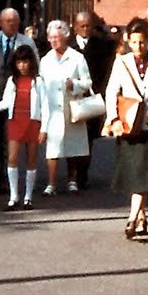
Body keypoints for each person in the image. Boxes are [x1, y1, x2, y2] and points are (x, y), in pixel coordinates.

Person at [106, 17, 148, 238]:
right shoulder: (122, 62)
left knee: (146, 172)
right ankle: (140, 216)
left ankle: (132, 216)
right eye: (134, 42)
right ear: (127, 40)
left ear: (147, 40)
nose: (138, 47)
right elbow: (112, 91)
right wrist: (113, 119)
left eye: (142, 42)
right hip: (128, 123)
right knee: (133, 173)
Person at [0, 43, 45, 210]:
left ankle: (28, 197)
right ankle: (13, 196)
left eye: (25, 61)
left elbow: (46, 105)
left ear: (32, 62)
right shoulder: (12, 81)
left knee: (31, 159)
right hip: (15, 121)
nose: (22, 65)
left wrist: (44, 128)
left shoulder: (37, 81)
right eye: (19, 62)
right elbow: (6, 102)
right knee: (12, 158)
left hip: (33, 122)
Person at [37, 19, 93, 195]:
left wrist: (74, 85)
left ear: (65, 37)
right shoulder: (45, 60)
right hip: (52, 110)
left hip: (72, 107)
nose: (53, 41)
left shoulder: (77, 58)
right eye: (50, 38)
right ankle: (51, 184)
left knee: (72, 146)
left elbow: (87, 82)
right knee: (52, 148)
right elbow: (41, 85)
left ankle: (72, 181)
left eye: (57, 37)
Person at [70, 10, 116, 189]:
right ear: (75, 27)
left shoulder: (102, 45)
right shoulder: (69, 45)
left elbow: (106, 70)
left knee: (87, 138)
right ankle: (71, 174)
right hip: (72, 97)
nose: (86, 29)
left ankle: (82, 174)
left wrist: (101, 93)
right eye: (82, 26)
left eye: (89, 26)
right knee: (72, 137)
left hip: (92, 97)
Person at [0, 8, 27, 193]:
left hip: (15, 100)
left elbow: (34, 69)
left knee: (8, 139)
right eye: (8, 21)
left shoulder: (26, 43)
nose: (11, 24)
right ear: (0, 22)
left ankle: (5, 177)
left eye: (15, 21)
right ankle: (1, 171)